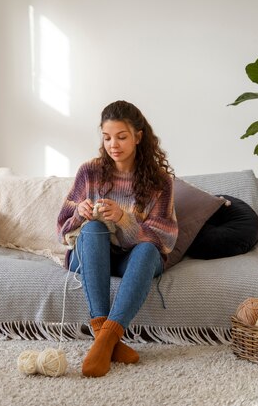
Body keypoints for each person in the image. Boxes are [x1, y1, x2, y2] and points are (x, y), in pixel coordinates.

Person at [57, 100, 177, 377]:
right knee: (93, 229)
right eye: (107, 137)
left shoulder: (161, 182)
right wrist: (81, 213)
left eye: (122, 137)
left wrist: (125, 219)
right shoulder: (90, 171)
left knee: (148, 250)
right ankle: (107, 337)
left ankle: (104, 340)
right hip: (92, 256)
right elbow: (63, 227)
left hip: (134, 259)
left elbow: (164, 239)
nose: (114, 145)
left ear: (138, 136)